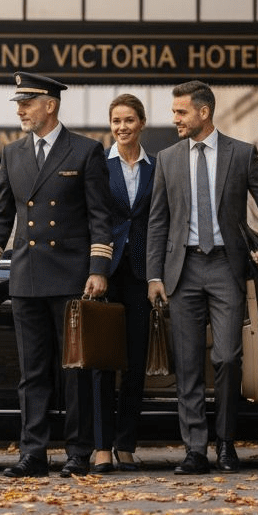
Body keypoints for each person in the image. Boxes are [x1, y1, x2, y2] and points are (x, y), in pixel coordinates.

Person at [0, 72, 113, 479]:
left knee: (75, 371)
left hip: (71, 279)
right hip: (28, 279)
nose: (20, 110)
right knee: (31, 372)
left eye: (27, 103)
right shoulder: (12, 153)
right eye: (18, 104)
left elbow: (100, 218)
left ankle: (77, 453)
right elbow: (1, 216)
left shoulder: (86, 151)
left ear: (50, 105)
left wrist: (98, 269)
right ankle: (32, 454)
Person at [146, 80, 258, 475]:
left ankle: (225, 444)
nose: (174, 119)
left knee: (227, 357)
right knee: (188, 365)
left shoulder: (241, 154)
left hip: (226, 267)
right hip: (182, 270)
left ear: (203, 113)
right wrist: (154, 274)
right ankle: (194, 449)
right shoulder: (168, 159)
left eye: (181, 112)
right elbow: (158, 223)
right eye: (174, 112)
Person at [91, 94, 155, 473]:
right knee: (101, 361)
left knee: (134, 363)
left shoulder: (156, 167)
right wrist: (93, 267)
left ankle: (126, 444)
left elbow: (157, 220)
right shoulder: (99, 165)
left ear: (141, 123)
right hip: (105, 273)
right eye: (116, 121)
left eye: (129, 120)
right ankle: (101, 447)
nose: (122, 127)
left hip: (141, 275)